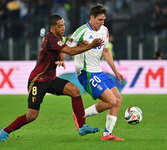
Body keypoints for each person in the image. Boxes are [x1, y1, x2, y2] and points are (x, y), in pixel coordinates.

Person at [0, 14, 104, 142]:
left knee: (75, 91)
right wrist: (90, 45)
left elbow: (65, 40)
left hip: (50, 79)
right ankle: (4, 132)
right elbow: (70, 51)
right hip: (37, 81)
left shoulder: (57, 37)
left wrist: (77, 41)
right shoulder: (50, 40)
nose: (63, 28)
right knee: (32, 115)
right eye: (60, 26)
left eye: (64, 25)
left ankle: (82, 126)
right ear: (52, 27)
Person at [68, 4, 124, 141]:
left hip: (98, 71)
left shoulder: (104, 30)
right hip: (86, 73)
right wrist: (59, 60)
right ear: (91, 18)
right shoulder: (81, 31)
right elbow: (66, 47)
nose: (102, 23)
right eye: (99, 20)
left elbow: (106, 51)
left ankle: (107, 134)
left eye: (103, 20)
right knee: (111, 101)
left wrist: (115, 71)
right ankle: (80, 115)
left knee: (118, 100)